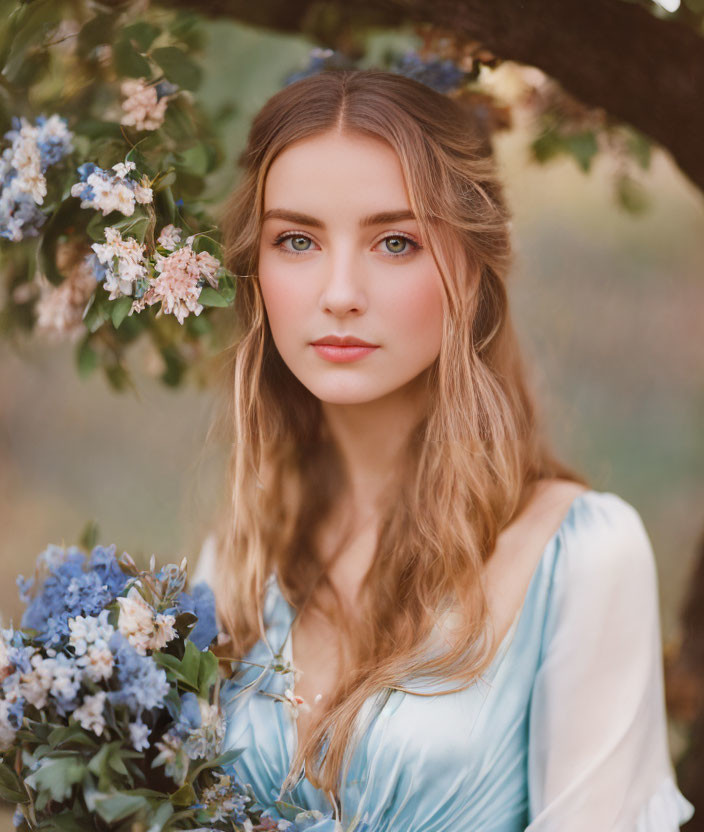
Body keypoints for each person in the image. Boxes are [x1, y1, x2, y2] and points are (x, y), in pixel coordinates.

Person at [193, 68, 695, 831]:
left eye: (396, 241)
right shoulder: (232, 567)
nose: (339, 292)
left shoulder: (582, 555)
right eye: (296, 240)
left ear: (471, 266)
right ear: (255, 272)